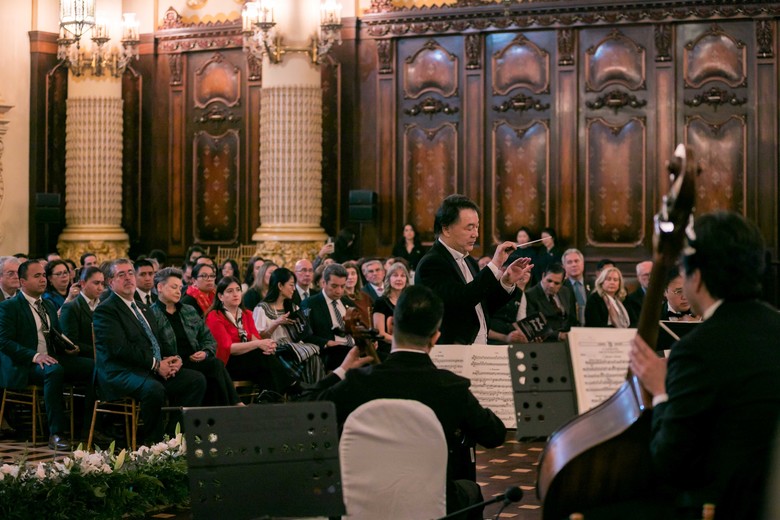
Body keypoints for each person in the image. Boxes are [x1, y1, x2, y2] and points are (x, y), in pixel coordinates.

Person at [307, 285, 506, 519]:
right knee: (470, 490)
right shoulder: (451, 388)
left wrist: (341, 370)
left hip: (364, 505)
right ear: (436, 336)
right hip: (429, 505)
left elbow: (309, 410)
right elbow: (494, 435)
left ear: (391, 325)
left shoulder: (358, 383)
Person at [629, 211, 780, 519]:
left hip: (726, 506)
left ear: (696, 278)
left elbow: (671, 463)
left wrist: (661, 390)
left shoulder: (696, 349)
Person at [93, 259, 206, 445]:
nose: (128, 277)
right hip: (121, 372)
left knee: (195, 380)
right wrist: (156, 365)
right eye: (121, 274)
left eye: (130, 273)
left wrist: (174, 359)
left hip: (148, 368)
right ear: (110, 282)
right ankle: (153, 444)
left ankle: (172, 439)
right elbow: (120, 349)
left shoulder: (143, 307)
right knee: (154, 389)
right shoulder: (106, 310)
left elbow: (158, 340)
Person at [0, 260, 95, 449]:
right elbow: (4, 341)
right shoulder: (9, 307)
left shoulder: (48, 305)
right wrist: (35, 356)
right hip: (25, 364)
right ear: (22, 282)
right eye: (37, 276)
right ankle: (56, 433)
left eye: (44, 275)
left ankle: (87, 428)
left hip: (52, 358)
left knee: (93, 366)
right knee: (54, 371)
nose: (43, 279)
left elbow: (56, 335)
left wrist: (67, 347)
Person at [414, 194, 532, 345]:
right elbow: (460, 301)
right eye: (469, 228)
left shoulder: (469, 260)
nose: (476, 234)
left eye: (477, 227)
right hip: (452, 348)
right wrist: (495, 264)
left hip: (479, 346)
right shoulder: (432, 263)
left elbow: (483, 305)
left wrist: (506, 281)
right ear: (446, 229)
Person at [150, 268, 241, 406]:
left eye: (180, 288)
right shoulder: (151, 314)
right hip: (172, 365)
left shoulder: (188, 310)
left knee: (215, 364)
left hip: (192, 360)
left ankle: (229, 408)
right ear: (160, 287)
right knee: (204, 376)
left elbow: (209, 339)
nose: (178, 291)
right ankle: (232, 407)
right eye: (174, 287)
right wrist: (173, 360)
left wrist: (205, 352)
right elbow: (154, 347)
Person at [205, 277, 296, 395]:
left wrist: (267, 346)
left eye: (238, 290)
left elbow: (255, 338)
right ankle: (291, 387)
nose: (235, 294)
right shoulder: (215, 315)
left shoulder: (246, 314)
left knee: (266, 355)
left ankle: (270, 396)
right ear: (220, 296)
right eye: (230, 291)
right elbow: (228, 348)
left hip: (248, 360)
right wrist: (258, 344)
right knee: (260, 357)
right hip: (227, 362)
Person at [252, 268, 325, 384]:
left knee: (314, 359)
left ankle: (311, 392)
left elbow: (301, 334)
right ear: (280, 286)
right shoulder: (262, 308)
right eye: (291, 285)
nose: (294, 289)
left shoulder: (293, 307)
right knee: (308, 361)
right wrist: (276, 323)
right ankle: (311, 392)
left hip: (295, 349)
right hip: (276, 351)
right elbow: (258, 338)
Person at [300, 264, 358, 371]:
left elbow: (356, 328)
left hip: (354, 348)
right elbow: (305, 335)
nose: (339, 291)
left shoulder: (348, 303)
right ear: (324, 283)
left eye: (342, 286)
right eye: (334, 286)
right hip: (331, 352)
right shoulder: (310, 304)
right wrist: (327, 343)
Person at [525, 263, 578, 341]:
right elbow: (534, 327)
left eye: (556, 283)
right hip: (546, 341)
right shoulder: (530, 295)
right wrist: (558, 335)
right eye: (549, 281)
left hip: (569, 338)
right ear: (543, 276)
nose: (551, 285)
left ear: (562, 283)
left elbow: (572, 318)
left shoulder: (565, 291)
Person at [60, 266, 105, 357]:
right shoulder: (71, 307)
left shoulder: (104, 305)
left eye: (102, 283)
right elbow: (71, 342)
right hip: (85, 356)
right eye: (96, 283)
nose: (100, 288)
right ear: (83, 283)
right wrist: (101, 351)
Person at [372, 262, 410, 354]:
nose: (399, 279)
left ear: (406, 280)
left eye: (402, 276)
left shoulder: (409, 302)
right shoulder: (381, 302)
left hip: (407, 347)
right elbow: (380, 333)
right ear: (388, 279)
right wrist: (403, 343)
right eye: (395, 275)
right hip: (387, 349)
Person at [488, 266, 532, 345]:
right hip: (490, 339)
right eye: (521, 270)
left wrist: (523, 336)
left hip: (510, 338)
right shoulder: (491, 288)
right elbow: (479, 326)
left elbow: (521, 322)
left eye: (528, 271)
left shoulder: (520, 294)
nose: (523, 274)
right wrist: (505, 338)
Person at [561, 248, 590, 326]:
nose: (574, 265)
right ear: (564, 267)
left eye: (576, 261)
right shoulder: (561, 287)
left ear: (583, 263)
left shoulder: (593, 284)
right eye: (569, 262)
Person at [624, 260, 653, 326]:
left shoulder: (667, 296)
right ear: (638, 278)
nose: (650, 277)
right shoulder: (630, 300)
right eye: (646, 275)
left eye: (653, 274)